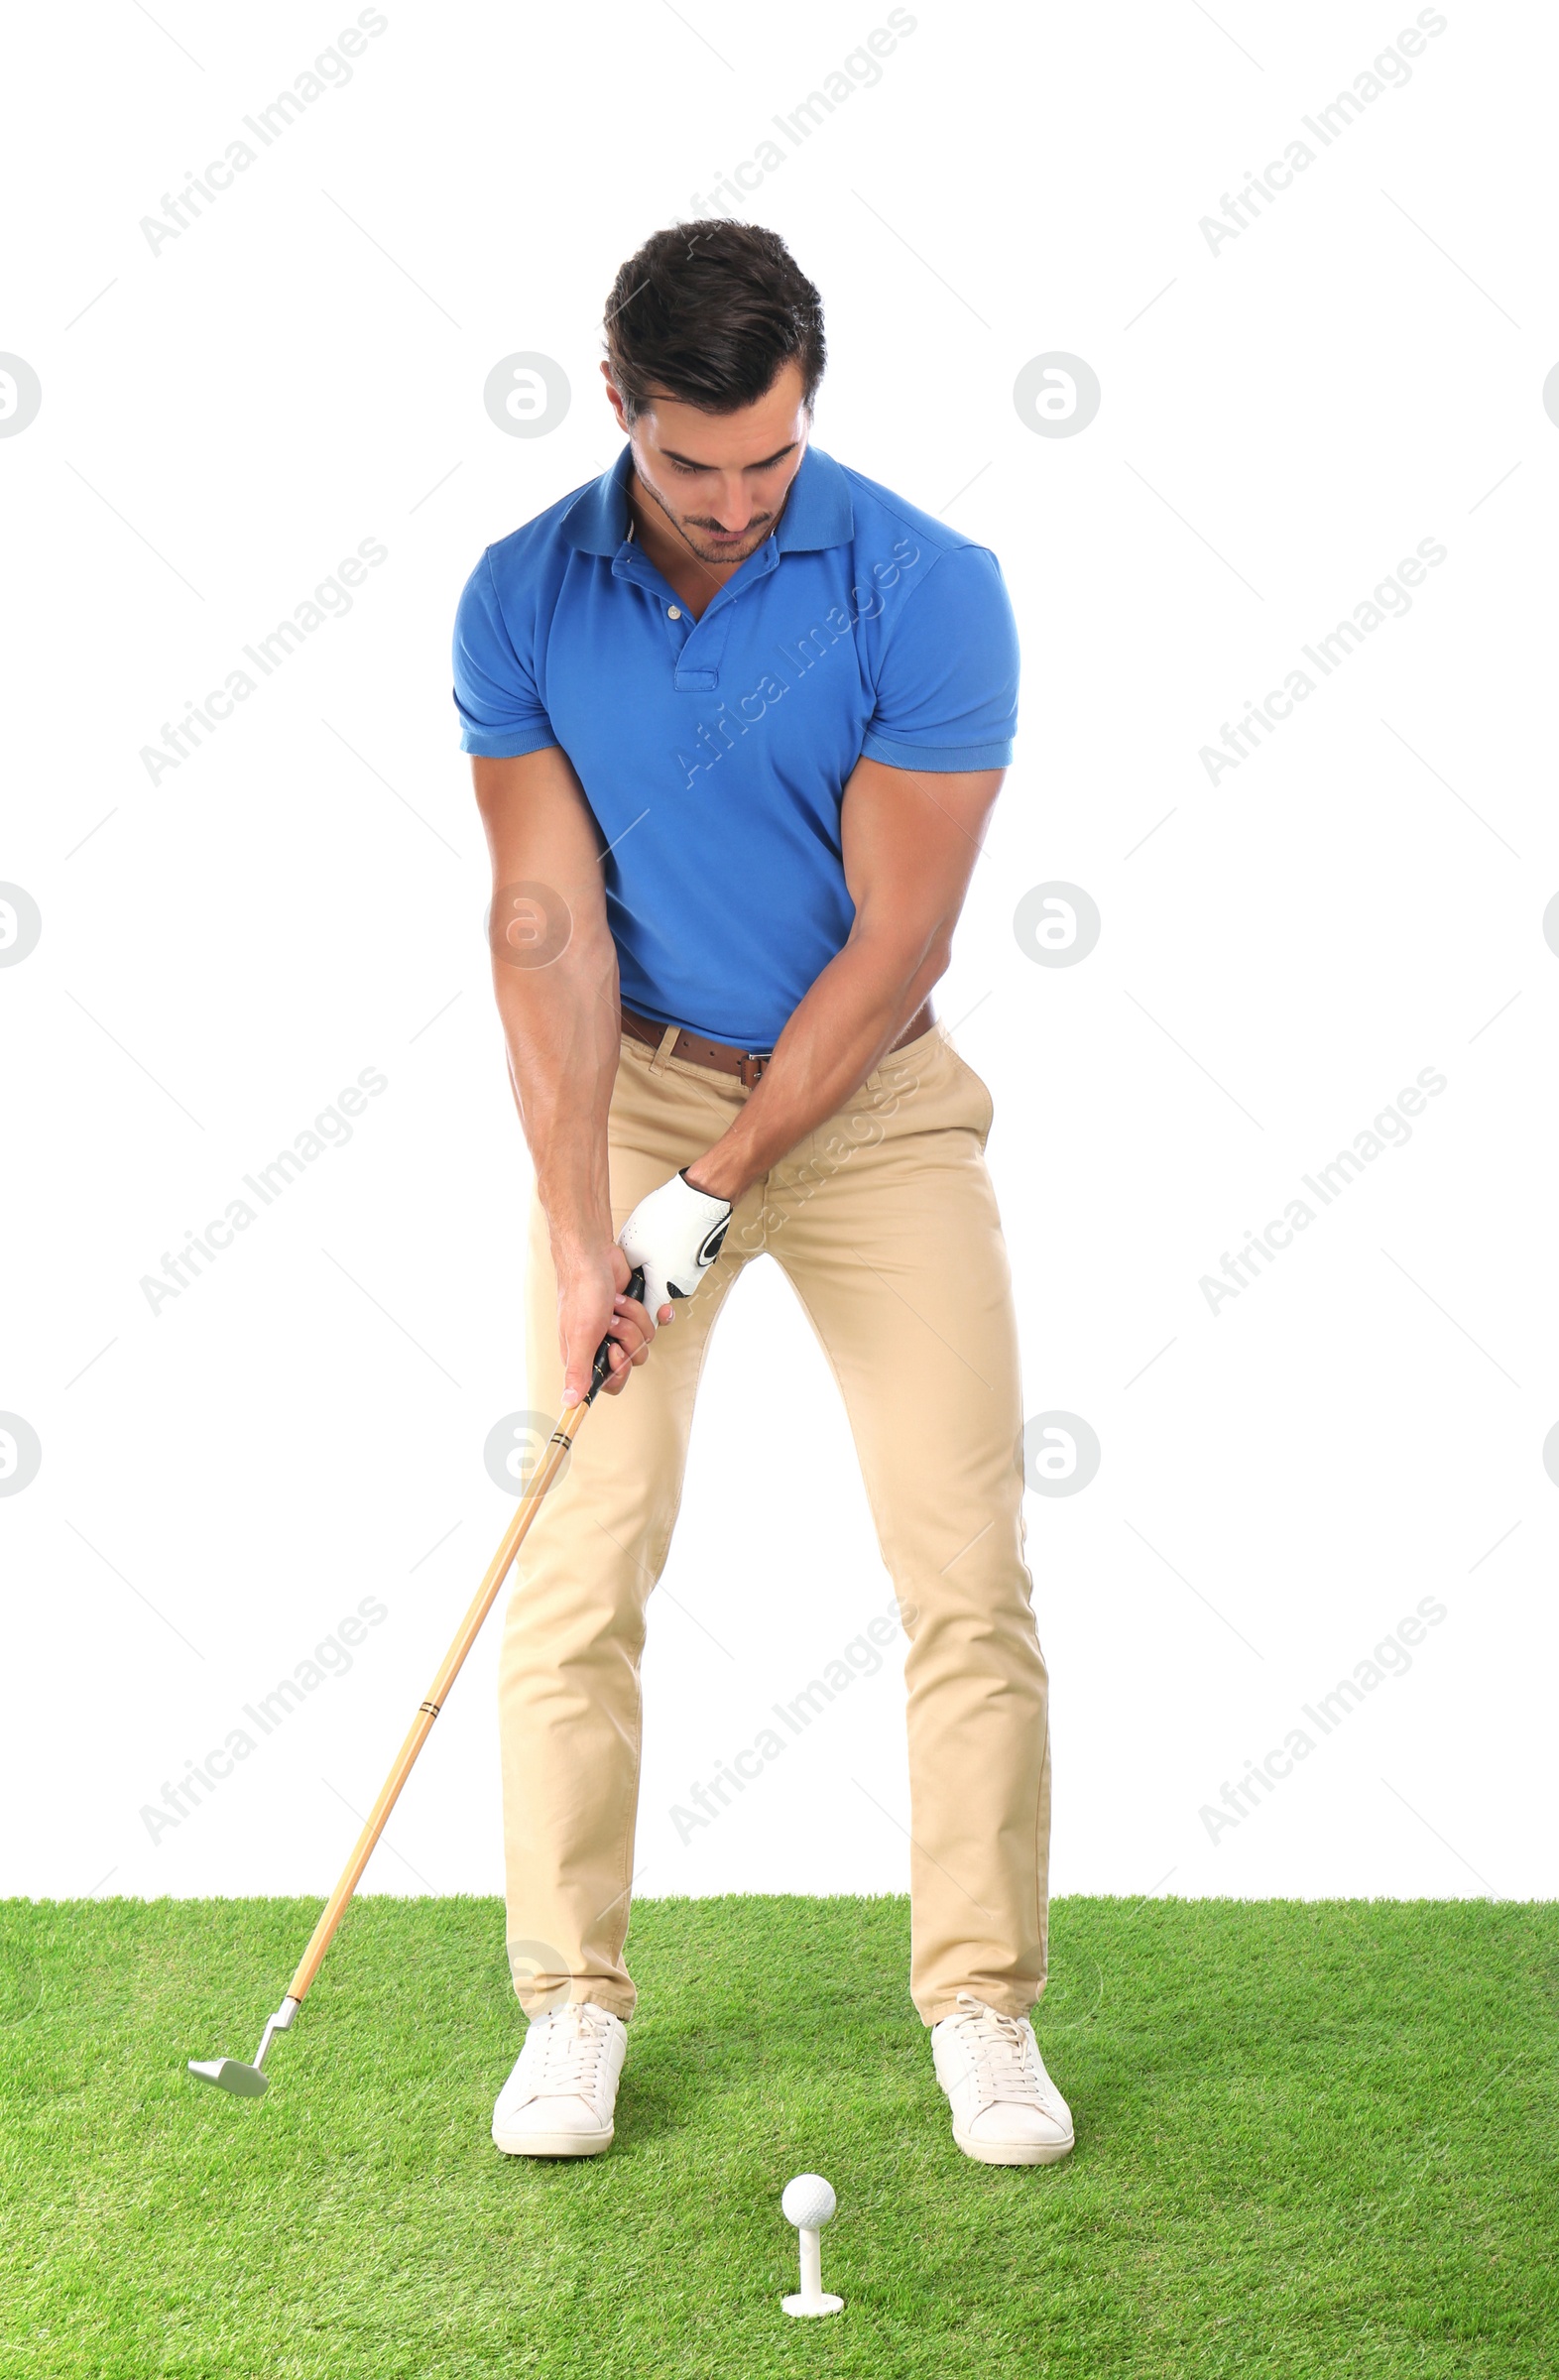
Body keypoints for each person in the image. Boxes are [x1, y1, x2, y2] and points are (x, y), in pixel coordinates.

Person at [452, 220, 1071, 2170]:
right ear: (616, 399)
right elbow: (543, 921)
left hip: (869, 1112)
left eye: (766, 462)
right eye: (687, 463)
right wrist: (583, 1230)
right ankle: (568, 2000)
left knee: (958, 1566)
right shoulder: (519, 595)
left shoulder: (925, 588)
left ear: (809, 404)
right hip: (635, 1090)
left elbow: (894, 944)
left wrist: (711, 1193)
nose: (727, 504)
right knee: (577, 1550)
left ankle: (978, 2004)